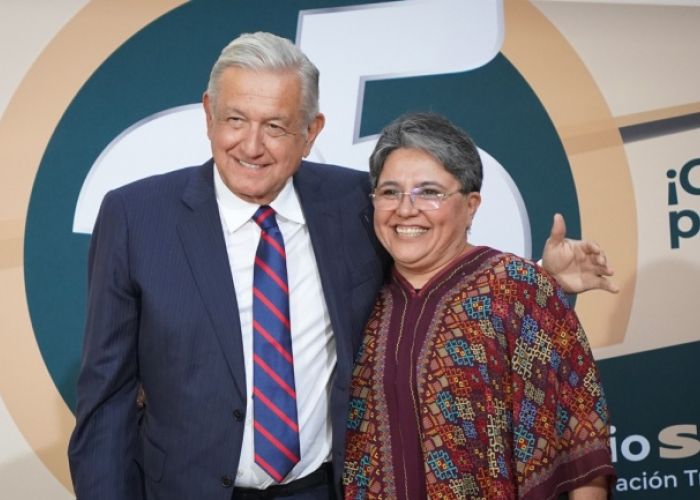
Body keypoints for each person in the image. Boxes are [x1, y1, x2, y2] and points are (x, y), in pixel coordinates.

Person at [68, 32, 615, 499]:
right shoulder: (136, 217)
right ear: (208, 114)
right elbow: (106, 400)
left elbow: (439, 272)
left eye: (277, 126)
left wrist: (542, 281)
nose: (251, 145)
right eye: (235, 119)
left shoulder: (356, 203)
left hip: (323, 488)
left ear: (312, 132)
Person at [343, 113, 615, 499]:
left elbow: (581, 443)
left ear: (471, 205)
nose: (405, 209)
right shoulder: (354, 299)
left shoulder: (518, 290)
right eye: (389, 192)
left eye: (429, 192)